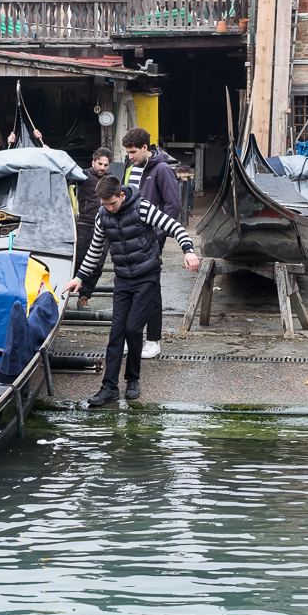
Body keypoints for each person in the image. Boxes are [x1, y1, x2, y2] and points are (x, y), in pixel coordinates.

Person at [61, 175, 200, 406]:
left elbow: (174, 226)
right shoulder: (102, 216)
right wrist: (79, 277)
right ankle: (109, 387)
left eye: (112, 204)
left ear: (122, 195)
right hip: (123, 279)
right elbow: (95, 251)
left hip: (147, 276)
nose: (109, 208)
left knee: (133, 329)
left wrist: (188, 250)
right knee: (116, 332)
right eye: (105, 205)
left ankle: (133, 380)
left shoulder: (142, 208)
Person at [121, 127, 182, 359]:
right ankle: (133, 336)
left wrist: (157, 234)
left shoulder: (162, 170)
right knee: (129, 288)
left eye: (134, 151)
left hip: (151, 238)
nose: (130, 156)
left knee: (151, 289)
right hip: (130, 237)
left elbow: (173, 206)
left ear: (146, 148)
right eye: (128, 152)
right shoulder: (131, 166)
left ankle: (154, 340)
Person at [74, 147, 113, 310]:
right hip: (84, 224)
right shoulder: (82, 175)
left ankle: (84, 297)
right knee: (77, 261)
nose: (102, 168)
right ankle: (62, 293)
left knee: (97, 265)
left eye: (105, 165)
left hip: (104, 227)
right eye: (99, 164)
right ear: (93, 162)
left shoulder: (112, 180)